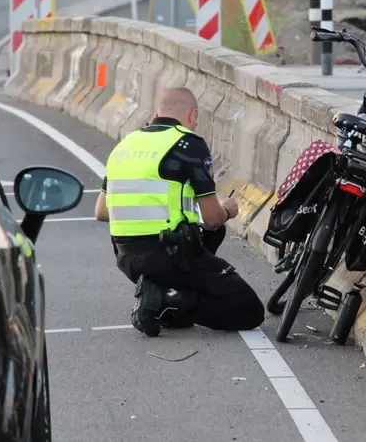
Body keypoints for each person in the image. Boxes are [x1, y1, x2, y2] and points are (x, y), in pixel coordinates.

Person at [94, 86, 265, 337]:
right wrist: (227, 210)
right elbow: (212, 218)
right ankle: (166, 298)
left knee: (199, 239)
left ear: (156, 113)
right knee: (248, 310)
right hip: (171, 254)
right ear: (192, 115)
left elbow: (101, 211)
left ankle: (163, 298)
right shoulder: (188, 143)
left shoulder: (126, 144)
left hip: (128, 259)